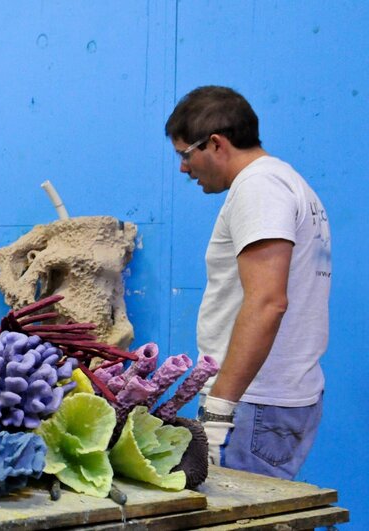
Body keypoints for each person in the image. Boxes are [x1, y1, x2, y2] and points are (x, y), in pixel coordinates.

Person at [165, 86, 331, 480]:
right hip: (272, 400)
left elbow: (267, 302)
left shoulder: (259, 188)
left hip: (253, 403)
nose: (183, 169)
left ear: (217, 144)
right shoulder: (289, 183)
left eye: (186, 154)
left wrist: (220, 407)